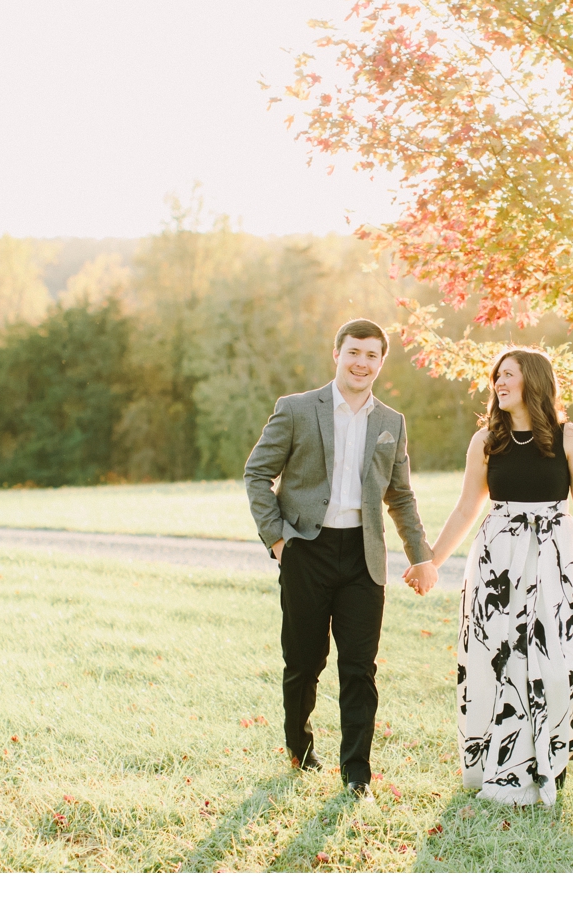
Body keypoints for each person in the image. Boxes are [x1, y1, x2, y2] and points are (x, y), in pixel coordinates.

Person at [414, 347, 573, 807]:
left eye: (509, 376)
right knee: (501, 664)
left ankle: (549, 763)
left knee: (557, 664)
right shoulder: (485, 441)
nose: (499, 383)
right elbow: (465, 507)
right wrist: (432, 560)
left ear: (533, 382)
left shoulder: (567, 436)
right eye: (497, 376)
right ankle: (502, 771)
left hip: (557, 558)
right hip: (498, 562)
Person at [244, 318, 440, 804]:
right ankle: (299, 748)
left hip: (363, 558)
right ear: (337, 354)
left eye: (373, 355)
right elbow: (257, 475)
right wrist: (278, 543)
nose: (362, 363)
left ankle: (357, 776)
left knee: (359, 668)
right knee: (304, 663)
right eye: (354, 352)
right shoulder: (295, 410)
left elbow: (401, 496)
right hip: (305, 551)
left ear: (380, 362)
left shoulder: (391, 422)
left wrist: (423, 557)